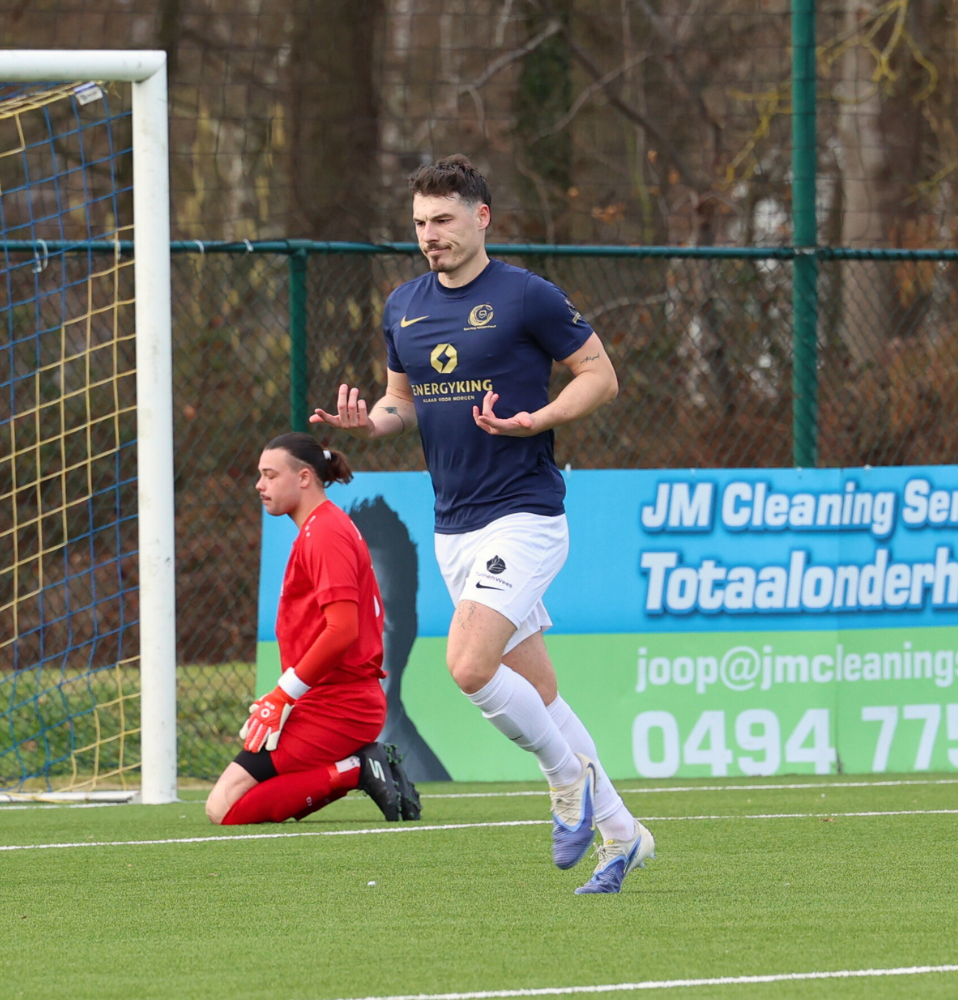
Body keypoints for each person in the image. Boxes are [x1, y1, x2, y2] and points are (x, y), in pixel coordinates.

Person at [311, 154, 652, 893]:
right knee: (546, 698)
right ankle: (623, 836)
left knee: (467, 666)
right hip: (454, 529)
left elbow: (601, 376)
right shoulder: (403, 305)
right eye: (420, 225)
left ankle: (568, 788)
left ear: (481, 216)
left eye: (443, 220)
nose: (430, 235)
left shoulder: (526, 296)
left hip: (524, 515)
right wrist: (368, 422)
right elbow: (402, 402)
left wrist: (542, 416)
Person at [205, 433, 419, 825]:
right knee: (232, 800)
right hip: (328, 701)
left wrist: (281, 697)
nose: (259, 485)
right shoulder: (320, 527)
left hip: (341, 707)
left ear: (304, 477)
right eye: (259, 475)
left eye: (270, 475)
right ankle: (356, 767)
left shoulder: (325, 532)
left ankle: (357, 769)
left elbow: (342, 631)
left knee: (224, 807)